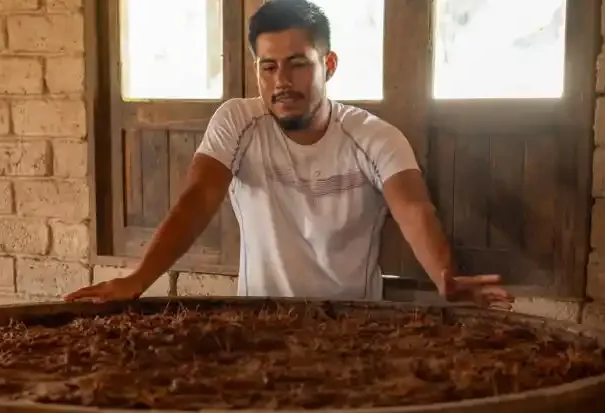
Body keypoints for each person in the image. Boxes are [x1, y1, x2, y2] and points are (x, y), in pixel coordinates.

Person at [67, 0, 512, 309]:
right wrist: (137, 280)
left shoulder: (373, 136)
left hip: (353, 328)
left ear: (328, 65)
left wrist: (445, 276)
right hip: (259, 326)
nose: (282, 80)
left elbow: (413, 208)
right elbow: (198, 197)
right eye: (269, 67)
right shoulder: (237, 122)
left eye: (298, 64)